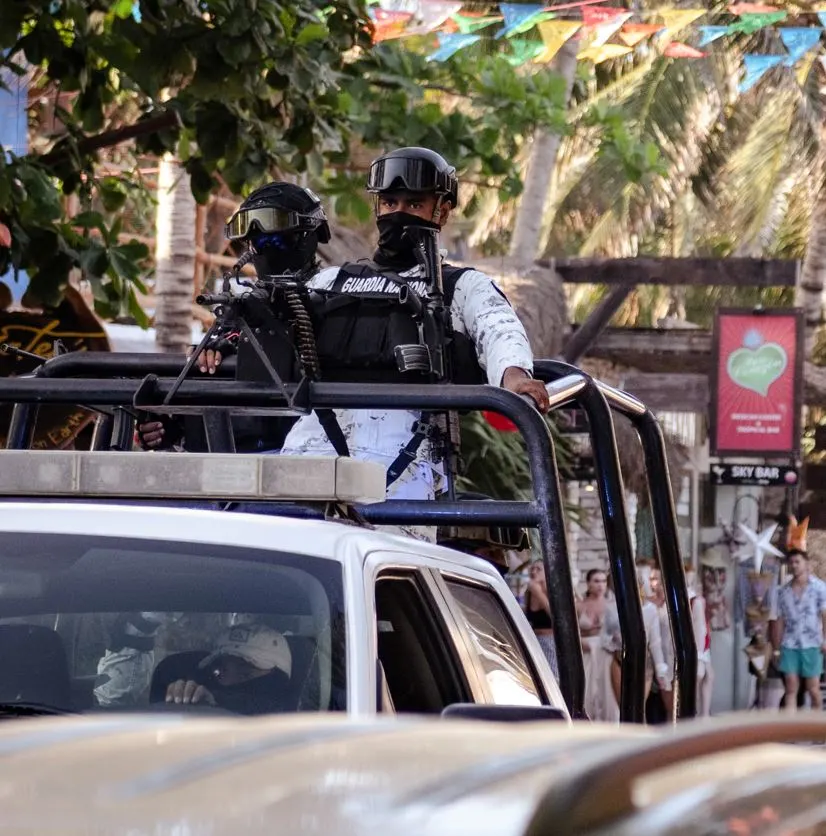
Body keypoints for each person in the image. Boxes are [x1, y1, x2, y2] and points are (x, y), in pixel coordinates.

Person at [277, 147, 550, 538]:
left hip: (402, 474)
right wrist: (221, 350)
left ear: (441, 211)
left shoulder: (461, 287)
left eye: (414, 203)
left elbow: (499, 328)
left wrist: (514, 377)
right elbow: (272, 331)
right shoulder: (330, 282)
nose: (398, 212)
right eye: (389, 201)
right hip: (308, 457)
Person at [136, 181, 331, 453]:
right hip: (226, 467)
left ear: (311, 233)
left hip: (309, 459)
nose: (264, 248)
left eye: (275, 238)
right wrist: (167, 428)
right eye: (256, 242)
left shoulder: (336, 298)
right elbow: (201, 397)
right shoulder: (241, 310)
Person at [165, 622, 293, 715]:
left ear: (276, 680)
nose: (226, 682)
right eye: (219, 673)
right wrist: (180, 703)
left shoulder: (300, 742)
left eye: (245, 674)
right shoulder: (197, 721)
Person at [774, 523, 826, 713]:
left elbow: (824, 615)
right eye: (792, 563)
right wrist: (777, 647)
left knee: (813, 688)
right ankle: (790, 733)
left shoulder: (820, 588)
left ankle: (818, 729)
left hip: (812, 643)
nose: (794, 566)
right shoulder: (783, 592)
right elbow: (779, 620)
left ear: (806, 563)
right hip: (790, 644)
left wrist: (825, 639)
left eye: (797, 562)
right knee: (790, 688)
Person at [576, 568, 608, 721]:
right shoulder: (579, 606)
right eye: (596, 581)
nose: (600, 585)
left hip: (604, 654)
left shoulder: (612, 605)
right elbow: (571, 631)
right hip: (585, 653)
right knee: (586, 693)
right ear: (588, 584)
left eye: (603, 581)